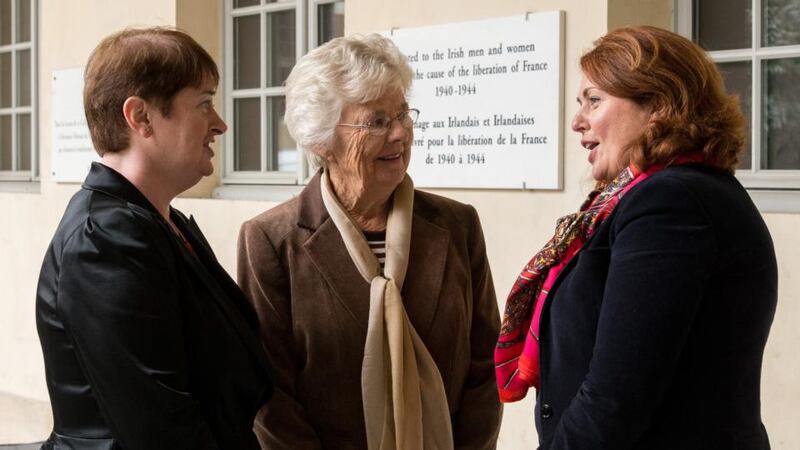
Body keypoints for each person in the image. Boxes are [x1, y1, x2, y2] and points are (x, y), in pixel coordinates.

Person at [494, 26, 778, 450]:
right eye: (580, 103)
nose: (577, 121)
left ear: (660, 106)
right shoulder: (652, 198)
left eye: (595, 100)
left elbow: (615, 399)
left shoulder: (672, 202)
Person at [237, 33, 502, 449]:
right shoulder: (271, 240)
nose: (400, 134)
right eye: (377, 121)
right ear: (322, 140)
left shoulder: (457, 226)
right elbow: (270, 396)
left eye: (403, 115)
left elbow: (486, 367)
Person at [36, 28, 273, 449]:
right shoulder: (105, 240)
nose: (220, 124)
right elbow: (161, 431)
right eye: (203, 103)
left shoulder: (160, 221)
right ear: (141, 117)